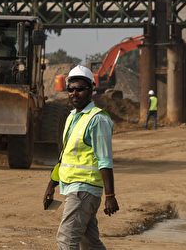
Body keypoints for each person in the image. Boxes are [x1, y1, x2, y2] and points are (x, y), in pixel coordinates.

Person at [43, 65, 119, 250]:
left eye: (80, 89)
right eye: (71, 89)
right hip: (73, 188)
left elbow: (104, 160)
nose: (74, 93)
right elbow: (65, 157)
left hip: (84, 190)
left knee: (66, 240)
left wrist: (110, 195)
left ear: (91, 90)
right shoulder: (72, 117)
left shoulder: (97, 119)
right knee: (90, 243)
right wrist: (51, 186)